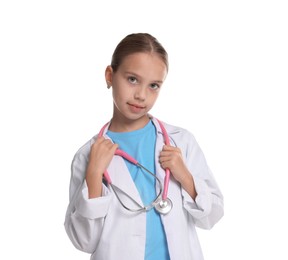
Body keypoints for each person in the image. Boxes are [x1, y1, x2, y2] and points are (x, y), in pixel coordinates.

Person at [64, 33, 224, 260]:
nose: (141, 95)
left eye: (154, 85)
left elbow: (212, 215)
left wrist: (185, 177)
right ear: (110, 75)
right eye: (132, 79)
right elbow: (83, 241)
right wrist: (93, 176)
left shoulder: (181, 141)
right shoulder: (87, 156)